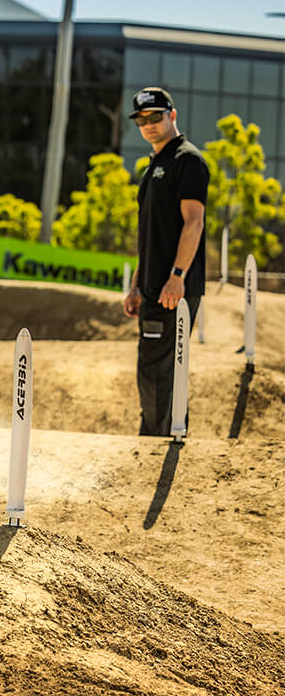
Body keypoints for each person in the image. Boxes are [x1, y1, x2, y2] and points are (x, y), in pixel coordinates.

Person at [121, 87, 209, 436]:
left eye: (155, 116)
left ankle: (156, 440)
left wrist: (177, 276)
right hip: (152, 287)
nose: (148, 124)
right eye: (142, 120)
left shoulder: (187, 160)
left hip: (173, 288)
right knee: (156, 364)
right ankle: (167, 431)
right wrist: (135, 287)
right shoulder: (154, 165)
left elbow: (194, 222)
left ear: (172, 115)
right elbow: (150, 236)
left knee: (156, 366)